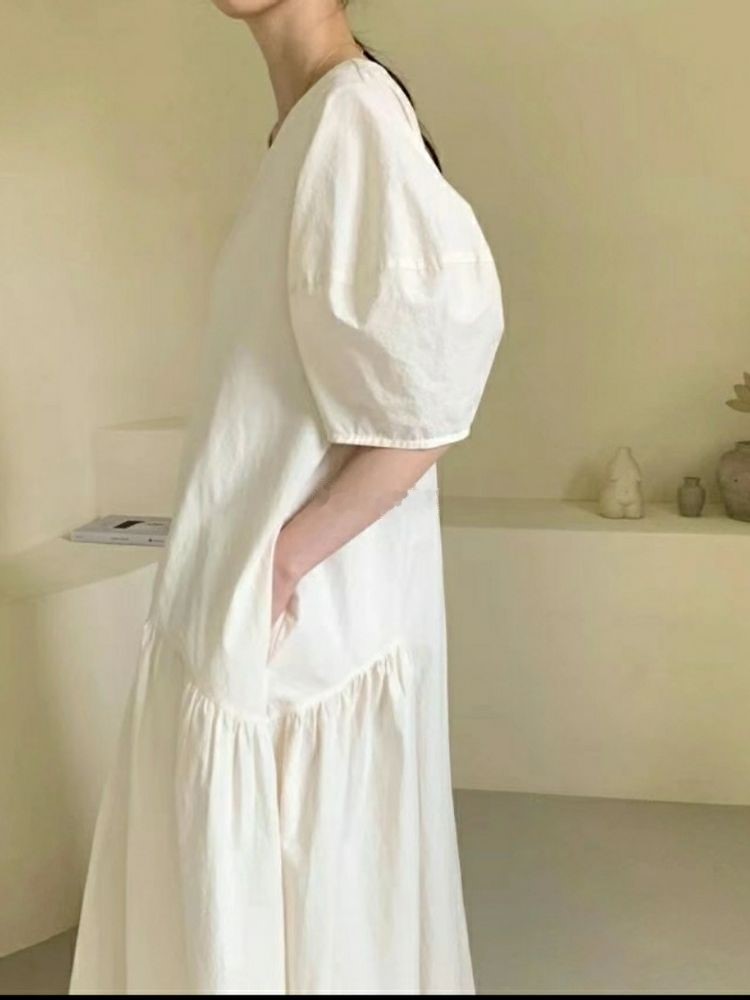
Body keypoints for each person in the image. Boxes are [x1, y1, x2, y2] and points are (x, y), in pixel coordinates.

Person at [69, 0, 504, 993]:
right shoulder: (313, 123)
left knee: (300, 917)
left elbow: (434, 397)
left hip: (301, 637)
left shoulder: (353, 118)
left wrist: (282, 558)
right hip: (264, 618)